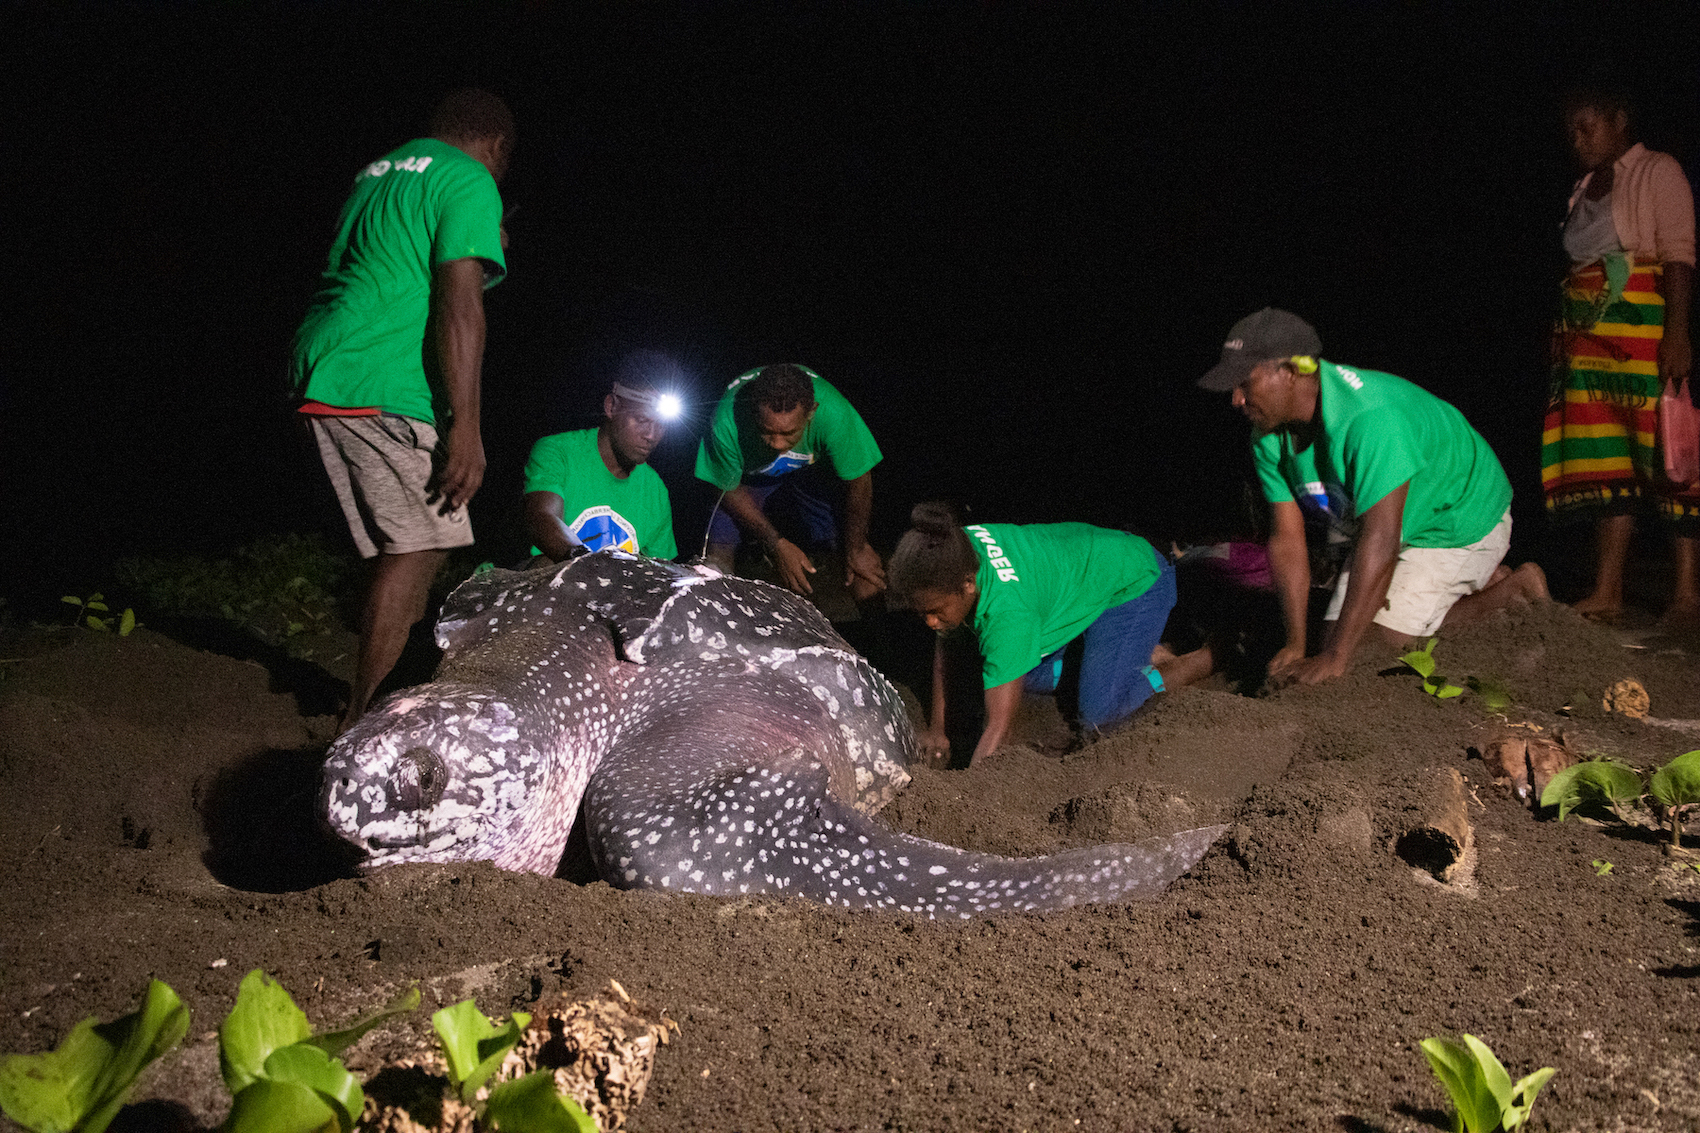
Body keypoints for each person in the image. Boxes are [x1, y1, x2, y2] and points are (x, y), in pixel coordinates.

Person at [290, 88, 514, 731]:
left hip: (327, 357)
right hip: (376, 375)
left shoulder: (380, 172)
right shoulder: (470, 177)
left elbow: (391, 270)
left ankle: (376, 694)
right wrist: (466, 425)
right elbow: (459, 304)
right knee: (421, 540)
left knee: (415, 540)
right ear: (496, 147)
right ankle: (366, 722)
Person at [1198, 307, 1549, 687]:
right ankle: (1452, 596)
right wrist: (1295, 644)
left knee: (1367, 651)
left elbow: (1381, 540)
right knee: (1334, 637)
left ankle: (1511, 592)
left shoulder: (1371, 419)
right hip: (1387, 520)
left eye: (1244, 383)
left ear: (1290, 371)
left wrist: (1334, 658)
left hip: (1457, 517)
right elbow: (1287, 539)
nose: (1235, 399)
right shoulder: (1269, 433)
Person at [887, 503, 1212, 767]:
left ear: (968, 584)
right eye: (922, 613)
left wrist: (968, 796)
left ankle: (1208, 657)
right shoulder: (953, 550)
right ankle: (1121, 653)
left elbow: (1001, 728)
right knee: (1000, 671)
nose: (930, 622)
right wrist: (937, 729)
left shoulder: (1008, 614)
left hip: (1137, 582)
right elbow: (948, 641)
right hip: (1085, 582)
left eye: (935, 611)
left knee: (1099, 715)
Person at [1541, 83, 1697, 626]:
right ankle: (1608, 589)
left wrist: (1677, 334)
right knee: (1608, 459)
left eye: (1589, 127)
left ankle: (1686, 594)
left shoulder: (1657, 171)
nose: (1578, 139)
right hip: (1589, 346)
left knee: (1669, 455)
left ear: (1620, 119)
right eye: (1572, 131)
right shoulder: (1584, 187)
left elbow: (1678, 255)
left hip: (1643, 336)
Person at [695, 363, 886, 605]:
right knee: (715, 565)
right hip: (747, 477)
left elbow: (859, 480)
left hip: (812, 470)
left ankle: (879, 639)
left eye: (788, 433)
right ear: (753, 412)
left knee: (861, 565)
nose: (776, 444)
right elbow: (724, 487)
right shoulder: (726, 420)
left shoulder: (834, 413)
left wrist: (856, 548)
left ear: (811, 412)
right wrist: (775, 543)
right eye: (766, 432)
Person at [523, 352, 680, 562]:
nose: (652, 435)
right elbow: (542, 518)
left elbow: (660, 570)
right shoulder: (558, 451)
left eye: (661, 425)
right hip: (541, 582)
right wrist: (590, 565)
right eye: (642, 420)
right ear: (611, 407)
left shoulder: (655, 488)